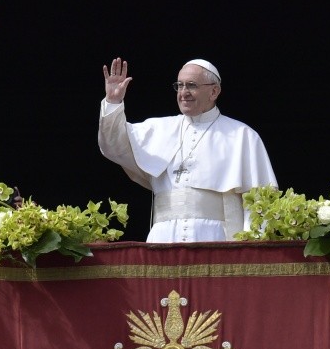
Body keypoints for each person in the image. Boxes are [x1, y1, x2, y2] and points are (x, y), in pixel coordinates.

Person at [98, 57, 278, 243]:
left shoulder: (242, 136)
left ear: (214, 91)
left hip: (216, 240)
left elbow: (260, 201)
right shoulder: (159, 129)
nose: (183, 93)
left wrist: (251, 248)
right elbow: (113, 146)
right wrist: (113, 101)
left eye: (191, 85)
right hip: (163, 239)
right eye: (179, 85)